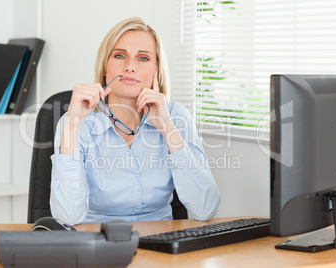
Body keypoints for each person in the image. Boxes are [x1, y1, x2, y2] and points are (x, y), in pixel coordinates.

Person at [50, 17, 220, 225]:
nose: (130, 67)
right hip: (96, 241)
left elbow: (206, 209)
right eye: (120, 55)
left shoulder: (176, 116)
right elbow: (67, 218)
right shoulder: (77, 123)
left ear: (157, 70)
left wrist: (167, 128)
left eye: (143, 58)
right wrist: (72, 125)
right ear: (105, 67)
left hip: (161, 243)